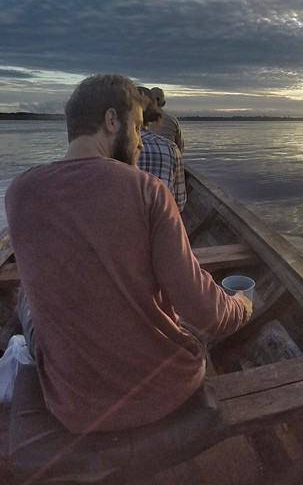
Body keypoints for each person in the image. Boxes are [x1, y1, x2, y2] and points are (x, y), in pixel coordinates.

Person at [3, 74, 251, 435]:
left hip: (73, 408)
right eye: (136, 127)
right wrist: (240, 307)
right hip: (167, 390)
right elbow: (208, 312)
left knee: (27, 296)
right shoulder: (148, 191)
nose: (139, 143)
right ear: (111, 121)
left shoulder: (19, 193)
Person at [137, 86, 187, 210]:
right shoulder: (172, 123)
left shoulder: (113, 145)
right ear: (163, 103)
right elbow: (180, 148)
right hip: (168, 158)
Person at [149, 86, 185, 153]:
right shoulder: (173, 120)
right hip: (169, 156)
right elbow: (180, 148)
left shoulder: (141, 119)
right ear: (164, 103)